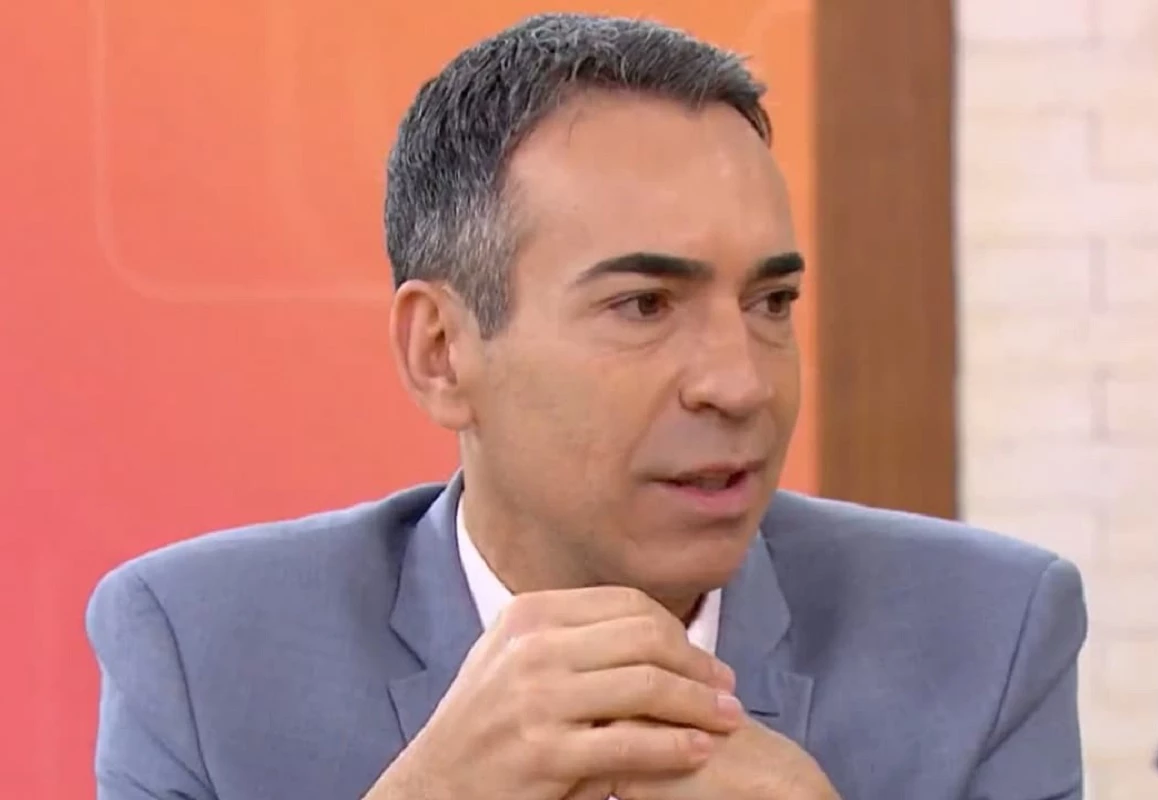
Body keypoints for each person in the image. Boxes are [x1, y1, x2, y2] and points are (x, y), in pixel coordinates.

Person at [86, 12, 1088, 800]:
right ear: (441, 351)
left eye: (771, 302)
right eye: (645, 305)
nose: (740, 382)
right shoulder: (201, 650)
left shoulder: (987, 633)